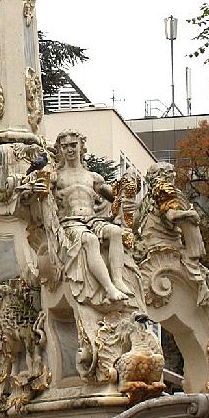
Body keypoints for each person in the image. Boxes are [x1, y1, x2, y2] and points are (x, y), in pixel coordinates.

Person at [48, 131, 130, 305]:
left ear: (81, 147)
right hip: (70, 222)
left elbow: (115, 198)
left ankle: (118, 280)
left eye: (73, 145)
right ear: (60, 150)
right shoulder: (56, 177)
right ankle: (109, 289)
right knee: (91, 240)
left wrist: (124, 202)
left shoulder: (93, 177)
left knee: (115, 232)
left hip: (93, 219)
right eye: (64, 146)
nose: (69, 150)